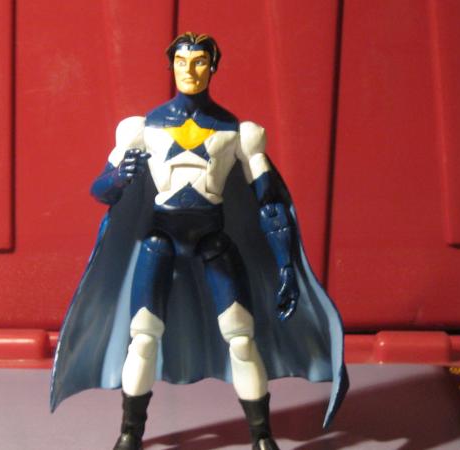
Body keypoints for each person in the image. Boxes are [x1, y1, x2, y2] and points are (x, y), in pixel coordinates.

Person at [50, 32, 348, 450]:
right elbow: (101, 191)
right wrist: (119, 176)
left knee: (242, 338)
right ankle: (130, 433)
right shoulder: (142, 128)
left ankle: (262, 436)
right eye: (181, 62)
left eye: (199, 62)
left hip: (213, 241)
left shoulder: (239, 133)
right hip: (160, 241)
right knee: (143, 336)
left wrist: (285, 265)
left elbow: (270, 205)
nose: (189, 71)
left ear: (213, 67)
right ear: (171, 66)